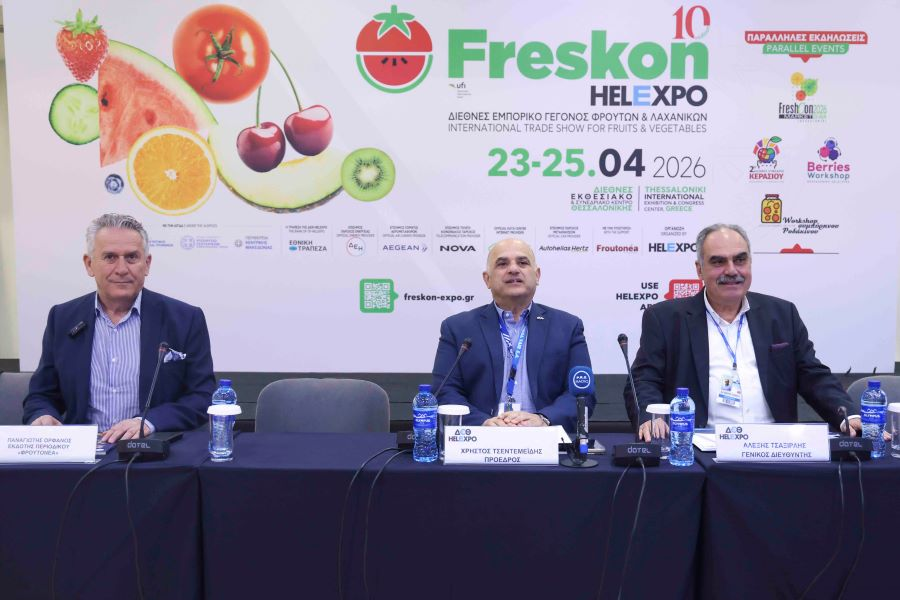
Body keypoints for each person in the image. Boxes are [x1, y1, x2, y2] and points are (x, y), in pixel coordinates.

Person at [628, 223, 860, 440]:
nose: (731, 270)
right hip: (701, 447)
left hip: (775, 446)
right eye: (718, 262)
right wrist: (651, 416)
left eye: (740, 260)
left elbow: (813, 376)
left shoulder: (782, 314)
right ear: (699, 270)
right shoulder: (666, 319)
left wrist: (847, 415)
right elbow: (643, 380)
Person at [23, 213, 216, 442]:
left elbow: (202, 397)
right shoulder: (62, 318)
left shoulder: (185, 319)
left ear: (147, 264)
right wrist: (42, 415)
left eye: (132, 257)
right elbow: (42, 394)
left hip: (151, 452)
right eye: (110, 257)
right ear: (89, 264)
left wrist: (149, 422)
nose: (122, 268)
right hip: (82, 453)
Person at [431, 238, 593, 431]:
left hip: (545, 438)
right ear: (487, 279)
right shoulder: (458, 328)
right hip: (481, 439)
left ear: (537, 275)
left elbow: (583, 395)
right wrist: (482, 422)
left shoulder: (567, 327)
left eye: (522, 263)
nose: (513, 269)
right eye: (502, 264)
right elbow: (445, 391)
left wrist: (543, 419)